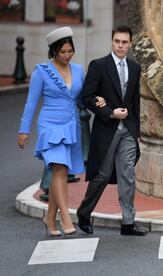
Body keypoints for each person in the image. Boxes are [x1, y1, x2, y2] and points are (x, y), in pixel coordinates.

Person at [17, 26, 104, 236]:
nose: (66, 55)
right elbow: (31, 103)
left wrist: (98, 100)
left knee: (61, 171)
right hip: (50, 125)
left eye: (69, 51)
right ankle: (65, 217)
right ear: (54, 51)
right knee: (60, 169)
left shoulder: (78, 70)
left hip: (71, 125)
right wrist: (23, 130)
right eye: (62, 51)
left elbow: (84, 98)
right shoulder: (41, 71)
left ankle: (49, 218)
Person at [76, 25, 148, 236]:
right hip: (107, 129)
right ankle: (84, 213)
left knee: (128, 174)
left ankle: (128, 222)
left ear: (130, 43)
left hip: (128, 130)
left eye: (124, 42)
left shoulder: (135, 68)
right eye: (117, 41)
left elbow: (135, 102)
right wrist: (109, 111)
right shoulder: (99, 66)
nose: (120, 45)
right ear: (111, 41)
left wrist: (137, 131)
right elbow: (86, 98)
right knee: (102, 175)